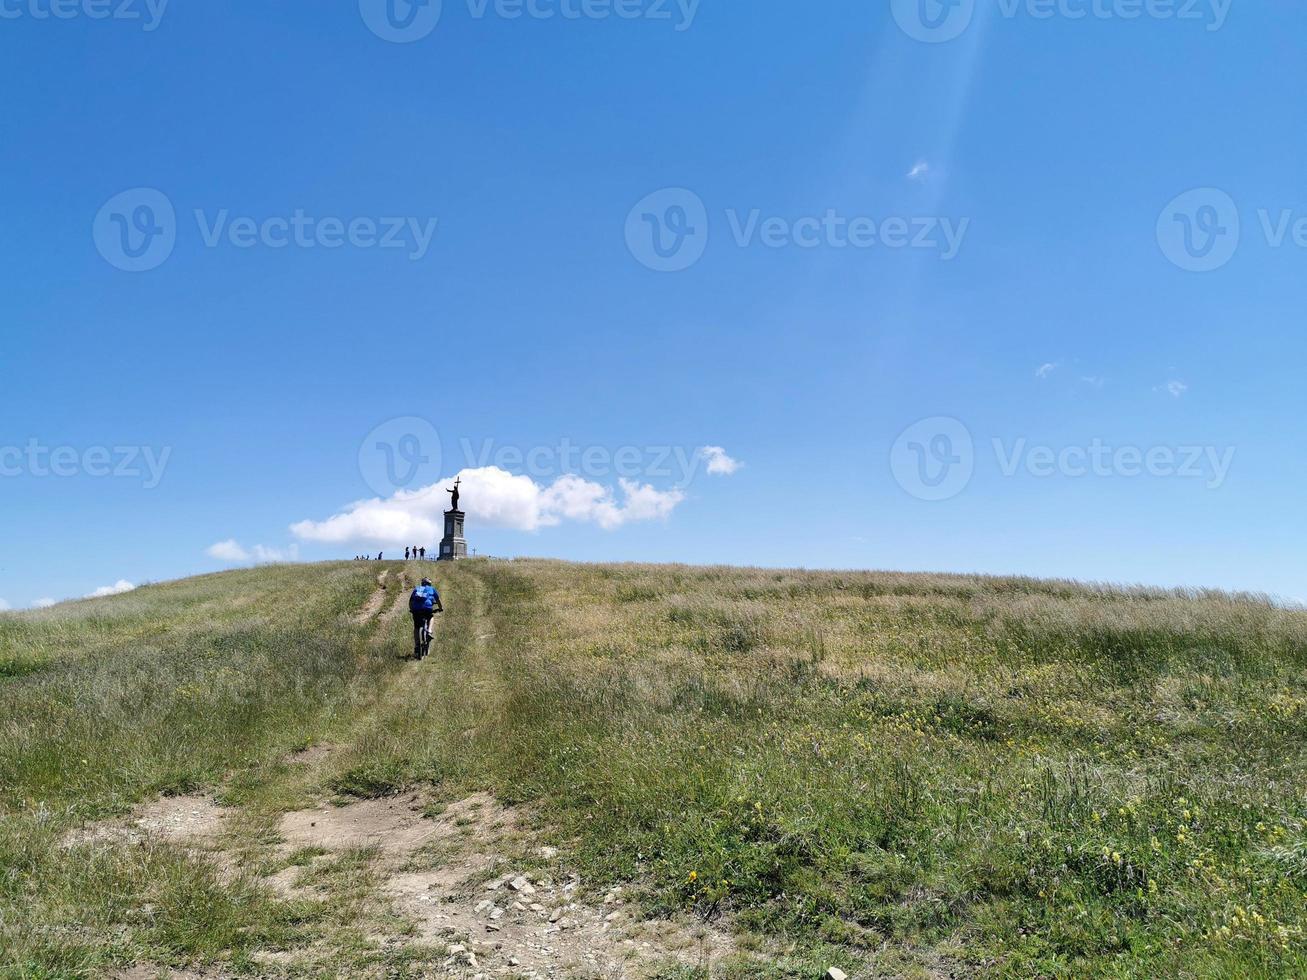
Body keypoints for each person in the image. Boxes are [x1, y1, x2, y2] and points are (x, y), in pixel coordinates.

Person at [408, 577, 443, 659]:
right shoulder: (432, 589)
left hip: (416, 609)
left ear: (422, 583)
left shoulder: (416, 589)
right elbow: (438, 600)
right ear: (429, 584)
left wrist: (411, 609)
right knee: (431, 617)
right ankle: (429, 632)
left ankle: (417, 645)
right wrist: (440, 608)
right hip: (427, 608)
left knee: (416, 627)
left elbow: (411, 601)